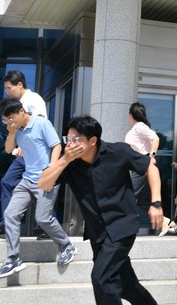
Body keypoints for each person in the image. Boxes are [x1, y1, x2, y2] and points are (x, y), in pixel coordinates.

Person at [38, 115, 163, 305]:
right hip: (97, 233)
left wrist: (156, 203)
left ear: (92, 141)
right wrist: (64, 159)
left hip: (122, 226)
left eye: (76, 139)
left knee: (101, 278)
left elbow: (151, 168)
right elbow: (43, 183)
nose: (70, 144)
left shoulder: (118, 151)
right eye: (68, 139)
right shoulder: (70, 164)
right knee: (126, 285)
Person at [0, 98, 77, 279]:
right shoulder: (16, 130)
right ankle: (13, 259)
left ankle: (67, 246)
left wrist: (51, 170)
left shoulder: (41, 123)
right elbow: (8, 150)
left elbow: (56, 146)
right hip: (27, 179)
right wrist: (11, 132)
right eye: (6, 120)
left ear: (22, 111)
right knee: (10, 214)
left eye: (11, 119)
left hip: (46, 178)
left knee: (43, 218)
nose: (10, 122)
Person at [0, 69, 52, 240]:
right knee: (7, 182)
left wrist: (24, 145)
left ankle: (47, 227)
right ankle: (6, 223)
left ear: (20, 84)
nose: (7, 91)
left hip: (37, 155)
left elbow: (41, 122)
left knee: (41, 187)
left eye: (9, 87)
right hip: (24, 156)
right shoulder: (13, 105)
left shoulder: (34, 99)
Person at [123, 102, 164, 233]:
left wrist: (151, 156)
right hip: (137, 166)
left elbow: (155, 138)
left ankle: (127, 227)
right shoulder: (137, 128)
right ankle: (164, 221)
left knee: (129, 196)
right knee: (141, 201)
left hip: (142, 166)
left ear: (131, 115)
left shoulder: (139, 126)